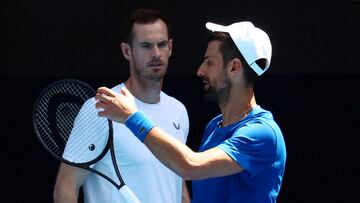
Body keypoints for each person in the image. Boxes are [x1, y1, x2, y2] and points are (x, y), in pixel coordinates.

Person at [95, 21, 287, 203]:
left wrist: (131, 116)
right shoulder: (214, 126)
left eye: (209, 62)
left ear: (234, 67)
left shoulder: (263, 133)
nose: (200, 71)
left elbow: (191, 166)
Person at [53, 8, 190, 203]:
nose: (156, 54)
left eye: (161, 45)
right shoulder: (101, 108)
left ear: (170, 47)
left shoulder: (179, 111)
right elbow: (66, 187)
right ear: (127, 51)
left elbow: (178, 185)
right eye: (146, 46)